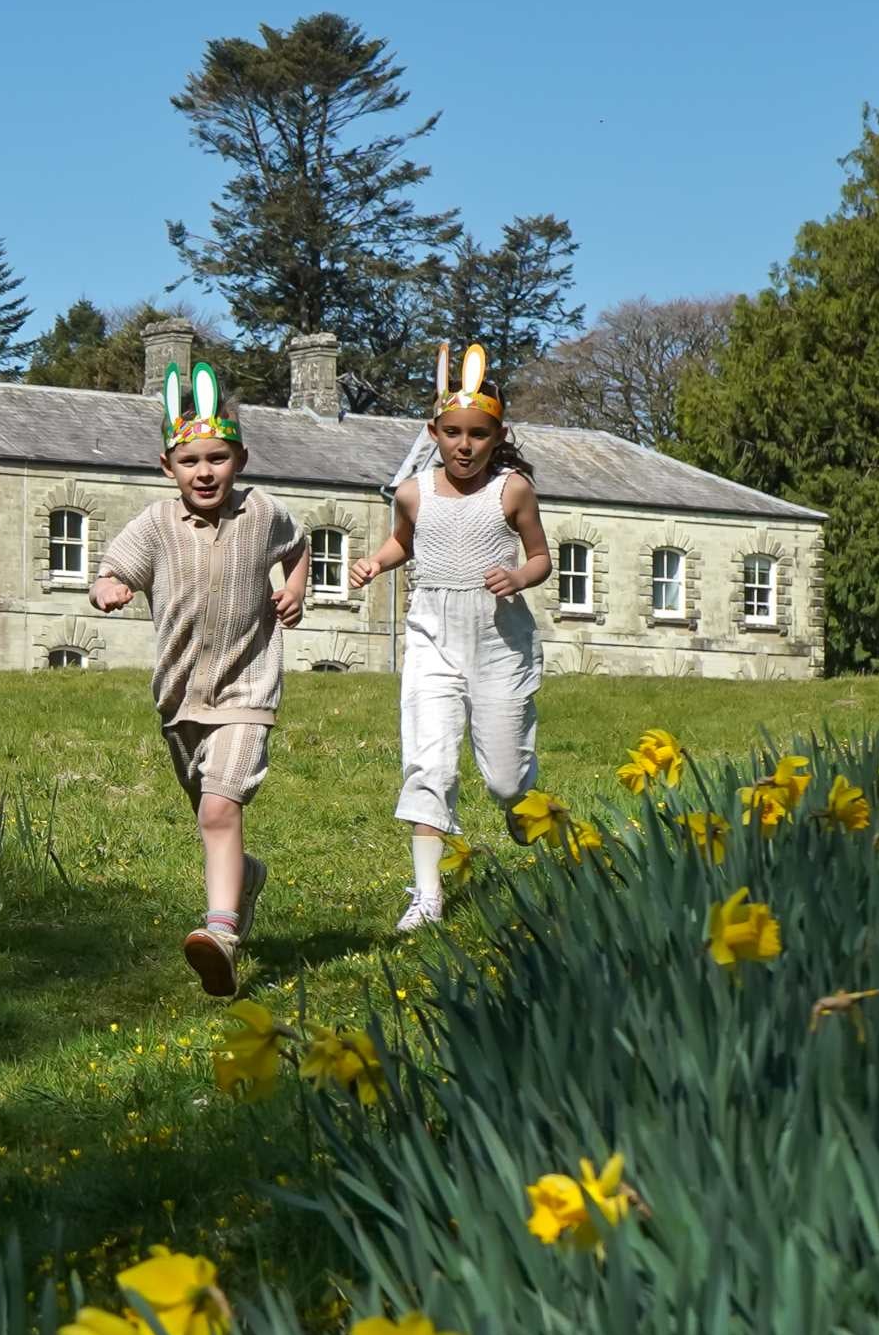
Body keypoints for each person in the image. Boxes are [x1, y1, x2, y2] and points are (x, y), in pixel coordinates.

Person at [91, 361, 311, 997]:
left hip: (247, 691)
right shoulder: (156, 524)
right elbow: (118, 567)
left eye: (217, 458)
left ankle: (221, 934)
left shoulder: (265, 513)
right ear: (168, 468)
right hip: (179, 698)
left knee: (220, 809)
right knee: (212, 820)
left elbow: (296, 548)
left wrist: (293, 590)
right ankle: (246, 878)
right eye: (190, 461)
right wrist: (110, 586)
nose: (205, 471)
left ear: (239, 459)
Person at [347, 343, 551, 934]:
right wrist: (374, 563)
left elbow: (540, 558)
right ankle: (428, 896)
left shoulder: (512, 491)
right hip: (431, 639)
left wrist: (516, 576)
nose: (465, 446)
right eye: (454, 433)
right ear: (433, 431)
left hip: (498, 644)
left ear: (498, 435)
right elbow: (405, 542)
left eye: (479, 435)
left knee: (503, 776)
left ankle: (520, 804)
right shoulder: (413, 492)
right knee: (428, 762)